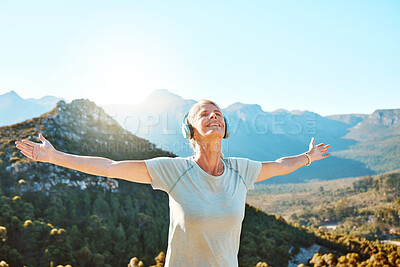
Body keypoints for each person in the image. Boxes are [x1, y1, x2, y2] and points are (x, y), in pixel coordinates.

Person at [15, 99, 330, 266]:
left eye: (218, 113)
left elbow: (278, 165)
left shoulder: (240, 170)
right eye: (204, 114)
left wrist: (309, 156)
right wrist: (56, 157)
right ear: (190, 130)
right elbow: (110, 167)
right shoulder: (173, 171)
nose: (214, 116)